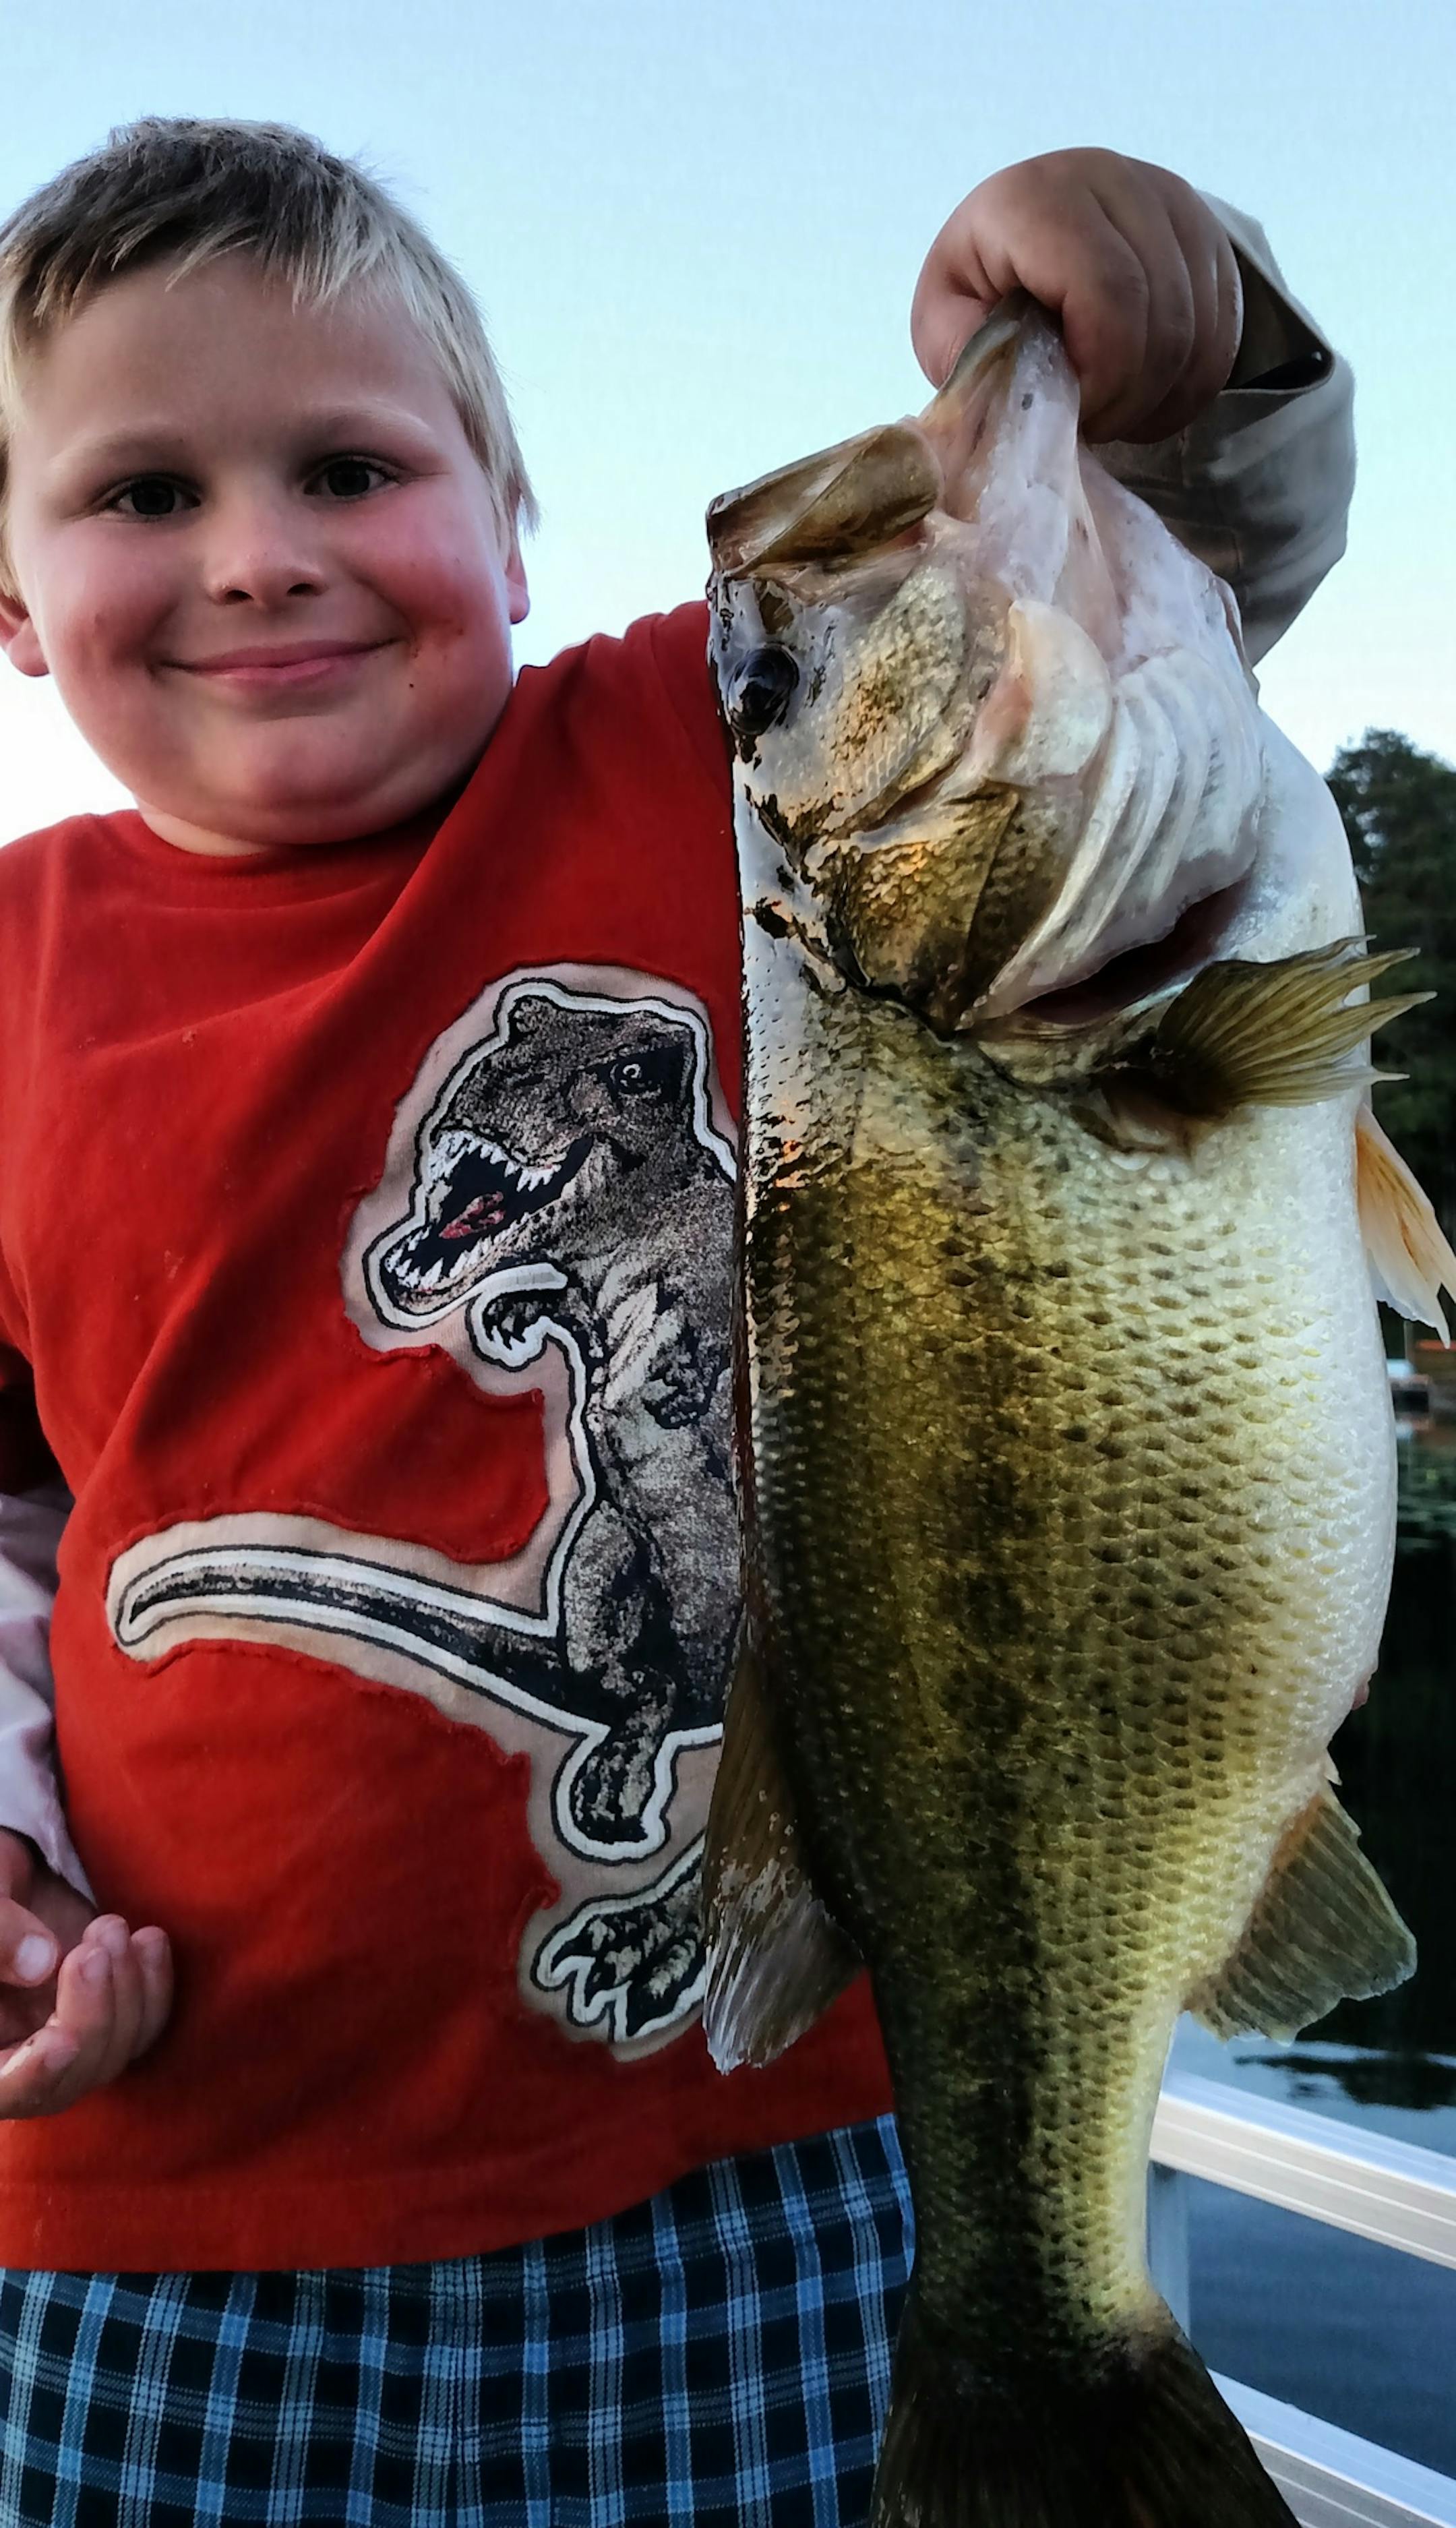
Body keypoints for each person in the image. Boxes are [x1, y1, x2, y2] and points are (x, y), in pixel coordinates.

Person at [0, 119, 1350, 2524]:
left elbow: (1176, 551)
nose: (260, 551)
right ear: (10, 600)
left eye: (348, 462)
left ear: (513, 526)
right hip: (161, 2216)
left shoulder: (711, 763)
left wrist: (1175, 317)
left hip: (773, 2160)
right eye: (137, 494)